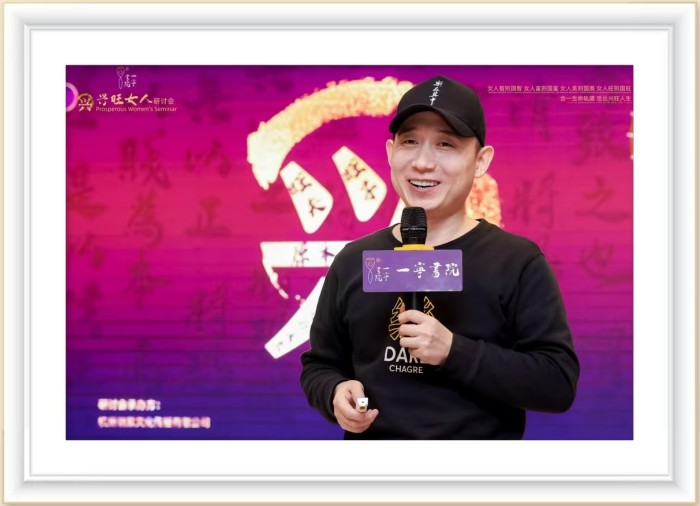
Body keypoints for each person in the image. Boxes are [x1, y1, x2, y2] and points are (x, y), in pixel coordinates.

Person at [300, 75, 580, 439]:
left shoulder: (516, 261)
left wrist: (453, 351)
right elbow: (320, 365)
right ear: (390, 152)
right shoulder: (354, 259)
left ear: (480, 161)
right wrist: (334, 392)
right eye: (410, 142)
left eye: (446, 144)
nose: (422, 162)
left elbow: (556, 382)